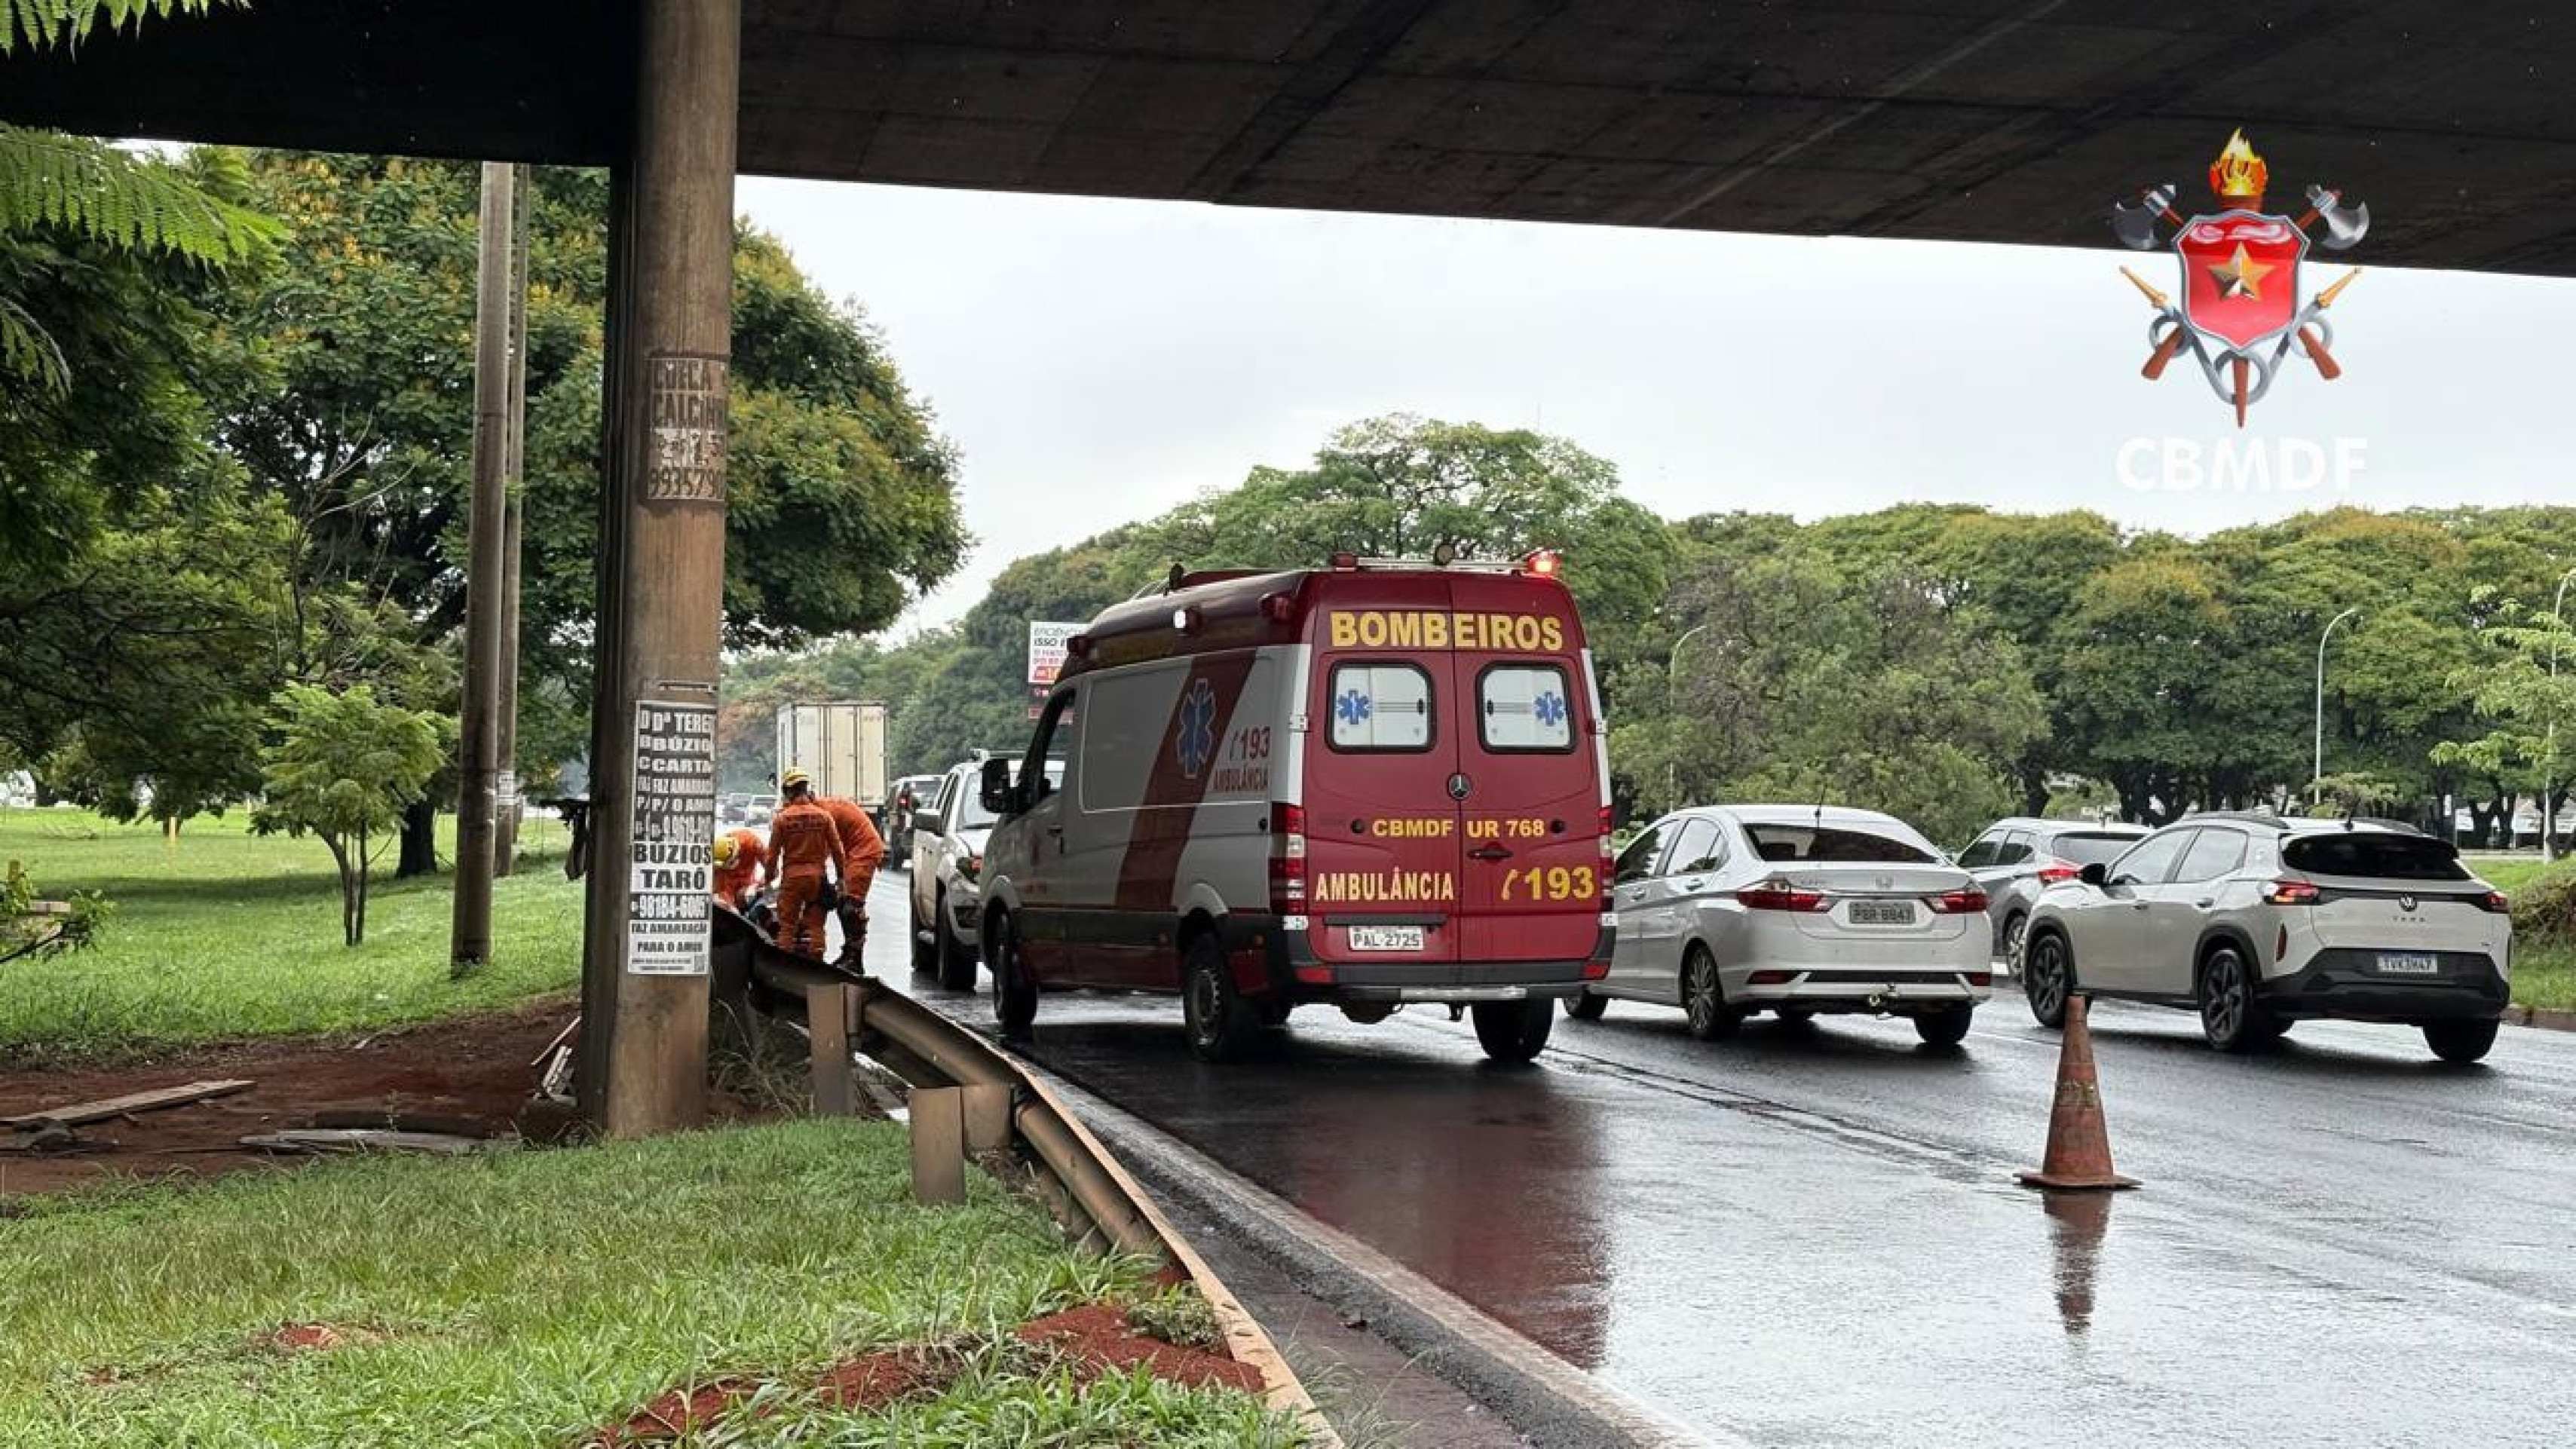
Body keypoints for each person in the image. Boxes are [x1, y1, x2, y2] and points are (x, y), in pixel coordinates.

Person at [767, 768, 847, 960]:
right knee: (816, 925)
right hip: (817, 880)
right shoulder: (824, 817)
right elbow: (838, 850)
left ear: (788, 791)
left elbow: (772, 855)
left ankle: (784, 966)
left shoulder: (782, 819)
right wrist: (841, 878)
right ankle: (816, 965)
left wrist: (768, 880)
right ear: (806, 789)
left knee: (787, 927)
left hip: (792, 880)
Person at [816, 790, 887, 970]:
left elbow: (822, 852)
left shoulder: (823, 815)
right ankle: (849, 953)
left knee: (850, 906)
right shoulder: (822, 810)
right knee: (842, 902)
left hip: (865, 850)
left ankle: (855, 958)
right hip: (854, 851)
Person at [709, 826, 768, 911]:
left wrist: (759, 885)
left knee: (744, 896)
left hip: (747, 882)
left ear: (737, 854)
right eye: (725, 866)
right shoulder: (718, 856)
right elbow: (715, 884)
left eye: (730, 864)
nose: (729, 867)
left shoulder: (752, 842)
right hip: (727, 883)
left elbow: (772, 868)